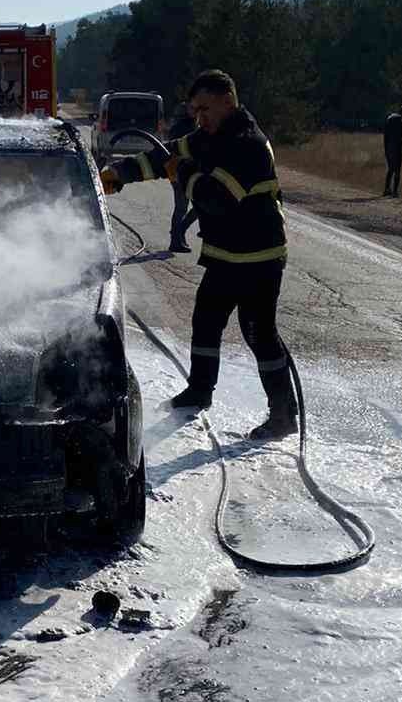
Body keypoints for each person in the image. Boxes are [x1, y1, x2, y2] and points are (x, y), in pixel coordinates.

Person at [100, 68, 296, 440]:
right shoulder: (211, 136)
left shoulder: (247, 144)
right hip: (224, 254)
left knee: (259, 334)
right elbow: (165, 156)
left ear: (228, 101)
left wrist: (183, 172)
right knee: (206, 321)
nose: (199, 118)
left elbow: (215, 198)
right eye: (194, 111)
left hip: (259, 258)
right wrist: (118, 174)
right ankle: (199, 391)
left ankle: (284, 415)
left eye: (205, 109)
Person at [166, 106, 199, 253]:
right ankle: (175, 240)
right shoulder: (183, 127)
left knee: (198, 207)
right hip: (179, 173)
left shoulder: (195, 125)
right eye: (194, 109)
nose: (197, 112)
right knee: (181, 208)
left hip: (189, 173)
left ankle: (179, 233)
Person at [383, 104, 402, 197]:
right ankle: (395, 192)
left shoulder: (390, 118)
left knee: (391, 169)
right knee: (397, 169)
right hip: (397, 147)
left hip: (388, 147)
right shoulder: (401, 120)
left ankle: (386, 190)